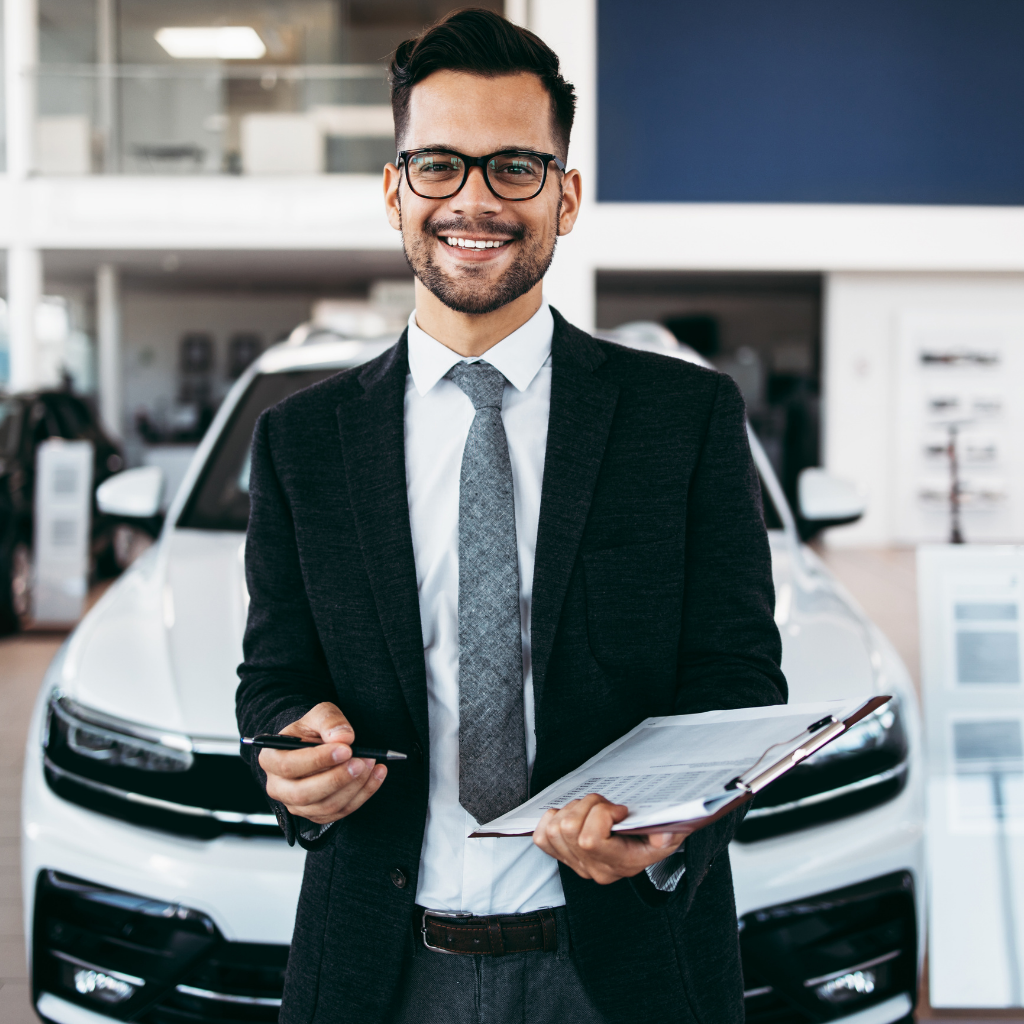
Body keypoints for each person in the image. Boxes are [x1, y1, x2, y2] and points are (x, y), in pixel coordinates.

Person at [236, 9, 787, 1024]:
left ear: (565, 195)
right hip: (379, 971)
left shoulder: (685, 418)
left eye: (513, 169)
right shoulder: (300, 440)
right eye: (438, 165)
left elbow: (736, 679)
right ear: (394, 190)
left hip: (626, 967)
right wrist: (292, 754)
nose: (473, 200)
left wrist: (669, 825)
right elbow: (273, 677)